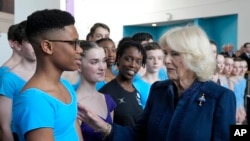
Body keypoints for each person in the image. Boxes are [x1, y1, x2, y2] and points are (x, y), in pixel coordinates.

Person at [77, 25, 236, 141]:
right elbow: (138, 135)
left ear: (195, 57)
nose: (166, 60)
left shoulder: (220, 97)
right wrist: (103, 127)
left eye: (174, 54)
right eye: (165, 53)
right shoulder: (159, 90)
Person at [12, 9, 83, 141]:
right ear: (47, 47)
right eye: (73, 43)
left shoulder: (66, 86)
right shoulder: (34, 100)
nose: (80, 49)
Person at [0, 20, 36, 141]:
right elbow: (4, 126)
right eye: (31, 41)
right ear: (17, 45)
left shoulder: (46, 73)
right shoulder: (8, 77)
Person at [99, 40, 146, 127]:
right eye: (128, 59)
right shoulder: (106, 93)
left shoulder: (136, 91)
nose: (133, 65)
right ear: (119, 58)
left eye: (138, 61)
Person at [76, 41, 116, 141]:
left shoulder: (108, 100)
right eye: (94, 62)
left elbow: (112, 137)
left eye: (104, 61)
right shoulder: (74, 103)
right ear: (79, 66)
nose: (102, 67)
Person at [133, 42, 165, 109]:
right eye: (151, 58)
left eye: (159, 58)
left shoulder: (167, 84)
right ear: (144, 60)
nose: (156, 62)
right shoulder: (136, 86)